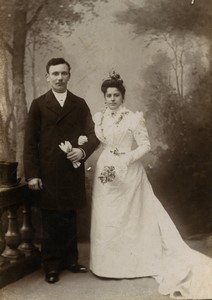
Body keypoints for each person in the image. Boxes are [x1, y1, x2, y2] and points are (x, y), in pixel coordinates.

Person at [90, 71, 212, 299]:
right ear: (104, 97)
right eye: (109, 95)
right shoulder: (100, 118)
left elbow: (145, 145)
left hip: (130, 173)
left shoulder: (133, 118)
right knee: (107, 216)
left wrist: (126, 158)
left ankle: (132, 264)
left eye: (117, 95)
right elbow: (100, 143)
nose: (113, 99)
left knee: (131, 218)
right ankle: (106, 266)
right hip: (106, 172)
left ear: (122, 97)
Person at [24, 57, 99, 284]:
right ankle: (51, 264)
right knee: (50, 218)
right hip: (47, 171)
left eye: (63, 73)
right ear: (48, 77)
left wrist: (82, 152)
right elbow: (30, 142)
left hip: (71, 170)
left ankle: (71, 260)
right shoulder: (38, 104)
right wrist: (33, 174)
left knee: (69, 215)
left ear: (69, 75)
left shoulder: (80, 103)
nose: (59, 78)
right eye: (55, 74)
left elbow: (94, 134)